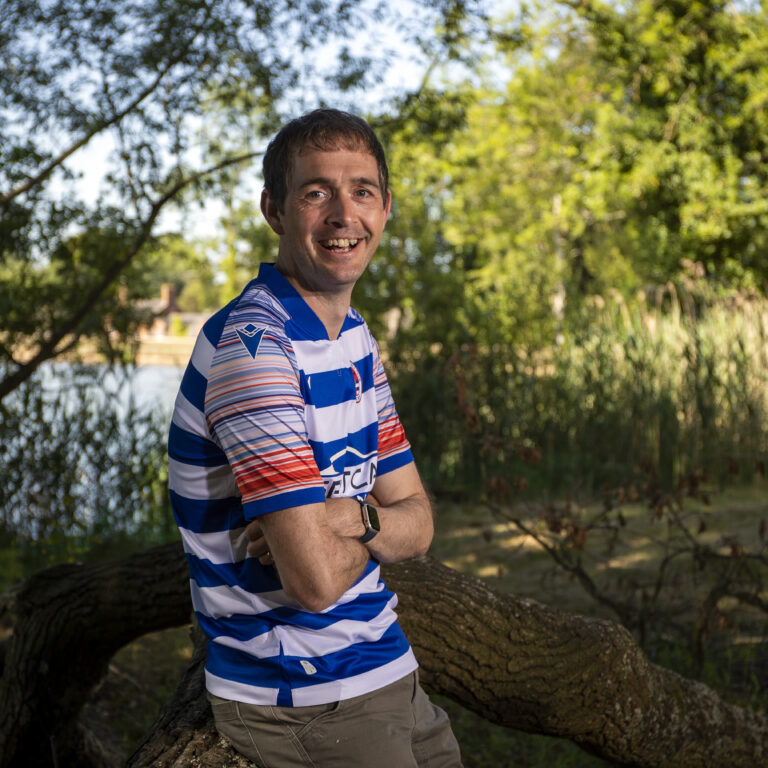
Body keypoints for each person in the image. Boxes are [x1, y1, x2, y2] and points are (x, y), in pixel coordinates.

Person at [168, 108, 463, 767]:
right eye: (316, 192)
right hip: (301, 691)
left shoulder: (353, 335)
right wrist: (370, 526)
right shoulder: (255, 349)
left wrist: (341, 515)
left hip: (384, 659)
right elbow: (317, 582)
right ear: (274, 210)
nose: (342, 214)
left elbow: (422, 524)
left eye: (361, 190)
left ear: (385, 208)